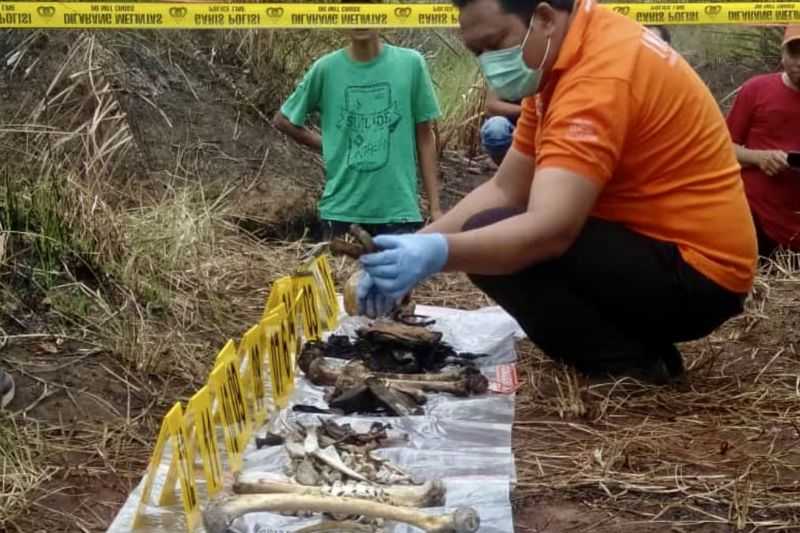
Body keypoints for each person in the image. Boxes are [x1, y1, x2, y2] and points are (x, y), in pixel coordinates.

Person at [355, 0, 757, 384]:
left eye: (494, 45)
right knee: (489, 228)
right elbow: (506, 187)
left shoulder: (600, 74)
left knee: (495, 241)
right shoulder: (562, 60)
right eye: (477, 51)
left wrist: (439, 254)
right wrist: (409, 251)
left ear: (544, 18)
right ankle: (637, 344)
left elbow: (552, 229)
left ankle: (629, 363)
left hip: (699, 274)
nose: (488, 64)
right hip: (659, 250)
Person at [273, 16, 443, 241]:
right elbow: (283, 120)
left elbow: (425, 137)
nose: (359, 18)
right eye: (350, 8)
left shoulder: (411, 64)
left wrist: (435, 208)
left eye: (367, 7)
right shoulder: (326, 69)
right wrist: (330, 146)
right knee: (340, 277)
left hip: (398, 213)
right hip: (341, 211)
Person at [726, 25, 800, 256]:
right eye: (794, 52)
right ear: (783, 55)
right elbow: (722, 150)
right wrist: (760, 158)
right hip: (756, 219)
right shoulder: (756, 89)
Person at [480, 91, 522, 165]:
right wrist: (528, 110)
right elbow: (491, 106)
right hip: (513, 127)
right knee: (496, 128)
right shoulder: (503, 80)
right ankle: (507, 167)